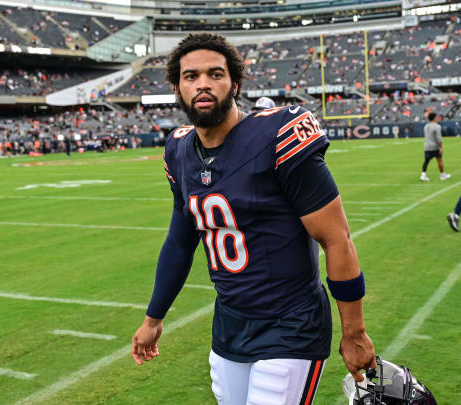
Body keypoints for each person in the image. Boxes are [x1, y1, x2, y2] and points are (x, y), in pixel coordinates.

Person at [131, 33, 376, 405]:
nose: (203, 84)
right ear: (177, 88)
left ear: (235, 83)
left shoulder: (277, 135)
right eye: (191, 76)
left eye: (215, 74)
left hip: (291, 322)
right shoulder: (179, 151)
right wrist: (153, 318)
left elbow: (336, 238)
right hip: (229, 323)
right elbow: (180, 243)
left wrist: (354, 331)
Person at [421, 112, 451, 181]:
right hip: (435, 146)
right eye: (436, 117)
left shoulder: (426, 126)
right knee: (439, 160)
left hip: (427, 146)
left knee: (426, 161)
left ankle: (423, 175)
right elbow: (439, 139)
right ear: (434, 118)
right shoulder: (437, 126)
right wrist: (440, 147)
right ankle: (442, 175)